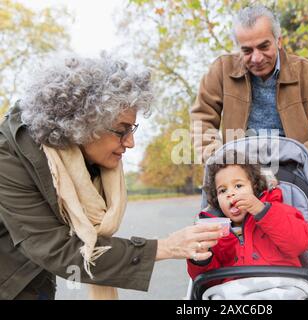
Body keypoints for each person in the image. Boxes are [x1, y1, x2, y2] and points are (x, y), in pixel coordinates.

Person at [0, 54, 222, 300]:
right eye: (121, 130)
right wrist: (166, 246)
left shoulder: (81, 155)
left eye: (132, 129)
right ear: (83, 124)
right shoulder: (7, 159)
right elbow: (60, 249)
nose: (131, 142)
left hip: (34, 276)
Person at [190, 5, 308, 176]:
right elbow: (201, 118)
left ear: (278, 41)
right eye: (247, 50)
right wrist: (219, 161)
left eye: (264, 46)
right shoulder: (221, 70)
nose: (257, 58)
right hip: (239, 176)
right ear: (238, 47)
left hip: (294, 174)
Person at [187, 154, 308, 280]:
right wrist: (202, 259)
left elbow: (300, 244)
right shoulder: (215, 231)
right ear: (216, 198)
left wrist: (262, 211)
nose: (230, 193)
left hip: (282, 285)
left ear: (254, 187)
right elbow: (209, 282)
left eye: (238, 186)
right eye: (222, 190)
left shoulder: (278, 211)